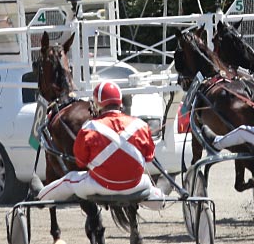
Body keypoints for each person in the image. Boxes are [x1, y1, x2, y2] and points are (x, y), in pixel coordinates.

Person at [30, 81, 169, 204]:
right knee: (149, 187)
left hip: (101, 185)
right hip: (134, 185)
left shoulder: (89, 128)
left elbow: (81, 161)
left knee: (70, 179)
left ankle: (41, 199)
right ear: (120, 102)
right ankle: (162, 201)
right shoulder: (140, 125)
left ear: (97, 104)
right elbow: (149, 156)